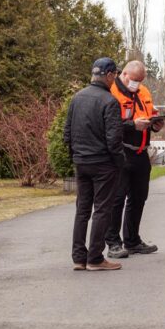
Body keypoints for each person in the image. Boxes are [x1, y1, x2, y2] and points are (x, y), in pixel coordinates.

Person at [64, 57, 126, 271]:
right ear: (109, 75)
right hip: (103, 164)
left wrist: (76, 155)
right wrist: (120, 163)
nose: (115, 80)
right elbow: (114, 140)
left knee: (82, 210)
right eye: (115, 76)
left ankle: (79, 258)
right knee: (102, 210)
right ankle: (95, 258)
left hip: (81, 162)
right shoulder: (110, 102)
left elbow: (67, 133)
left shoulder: (77, 98)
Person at [105, 60, 165, 258]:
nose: (137, 84)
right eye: (134, 80)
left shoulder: (144, 91)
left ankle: (132, 240)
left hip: (141, 152)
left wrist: (155, 123)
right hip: (120, 152)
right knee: (117, 199)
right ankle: (113, 242)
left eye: (140, 81)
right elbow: (109, 124)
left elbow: (150, 112)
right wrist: (132, 125)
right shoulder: (111, 92)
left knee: (139, 197)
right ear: (124, 75)